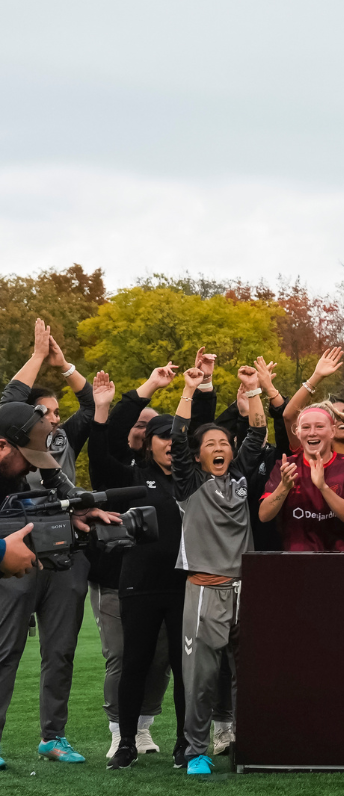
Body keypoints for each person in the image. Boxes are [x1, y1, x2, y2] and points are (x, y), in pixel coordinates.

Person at [161, 361, 270, 776]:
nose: (219, 447)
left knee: (250, 676)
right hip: (206, 591)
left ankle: (250, 744)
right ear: (198, 455)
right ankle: (195, 751)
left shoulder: (239, 477)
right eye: (210, 444)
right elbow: (177, 439)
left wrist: (254, 389)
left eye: (224, 442)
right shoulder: (189, 484)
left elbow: (257, 433)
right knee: (202, 678)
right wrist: (189, 391)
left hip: (247, 592)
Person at [0, 320, 98, 765]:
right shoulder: (11, 431)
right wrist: (38, 357)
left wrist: (79, 508)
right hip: (15, 552)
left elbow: (56, 477)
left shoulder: (45, 442)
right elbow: (9, 400)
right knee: (5, 649)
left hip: (61, 552)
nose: (32, 466)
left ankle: (53, 737)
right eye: (28, 457)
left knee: (60, 651)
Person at [91, 366, 180, 761]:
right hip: (130, 583)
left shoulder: (190, 481)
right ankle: (122, 737)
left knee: (171, 664)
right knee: (128, 659)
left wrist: (201, 389)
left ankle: (164, 735)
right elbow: (102, 449)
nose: (171, 443)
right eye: (162, 436)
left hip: (178, 584)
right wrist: (115, 403)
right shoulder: (131, 477)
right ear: (147, 442)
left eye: (177, 437)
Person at [258, 399, 344, 552]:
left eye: (319, 426)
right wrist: (284, 487)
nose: (312, 432)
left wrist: (322, 486)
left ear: (332, 432)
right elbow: (264, 515)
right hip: (297, 558)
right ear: (297, 432)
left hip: (340, 558)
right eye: (306, 427)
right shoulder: (286, 466)